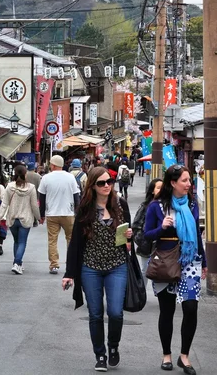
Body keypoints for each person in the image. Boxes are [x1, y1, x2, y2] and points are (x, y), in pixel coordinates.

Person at [62, 167, 133, 372]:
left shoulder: (121, 205)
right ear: (92, 186)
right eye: (101, 183)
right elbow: (75, 242)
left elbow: (128, 238)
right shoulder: (86, 209)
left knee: (115, 312)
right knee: (95, 314)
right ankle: (100, 354)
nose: (106, 186)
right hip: (90, 266)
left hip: (116, 265)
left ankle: (113, 347)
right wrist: (69, 274)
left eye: (109, 181)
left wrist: (130, 236)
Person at [143, 165, 207, 375]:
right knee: (167, 310)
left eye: (190, 180)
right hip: (165, 260)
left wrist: (204, 262)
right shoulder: (156, 206)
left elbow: (197, 234)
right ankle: (166, 355)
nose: (189, 184)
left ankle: (184, 356)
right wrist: (162, 228)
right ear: (173, 183)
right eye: (185, 180)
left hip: (190, 259)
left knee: (190, 308)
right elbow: (146, 235)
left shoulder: (192, 203)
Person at [38, 155, 80, 274]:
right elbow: (76, 196)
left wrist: (42, 215)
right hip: (68, 213)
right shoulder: (70, 177)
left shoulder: (46, 178)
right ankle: (71, 264)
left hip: (52, 214)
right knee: (71, 239)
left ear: (53, 165)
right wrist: (77, 212)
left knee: (52, 240)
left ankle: (54, 265)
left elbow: (42, 197)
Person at [0, 165, 41, 275]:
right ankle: (17, 263)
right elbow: (34, 205)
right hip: (25, 219)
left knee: (16, 241)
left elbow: (4, 204)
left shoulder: (9, 186)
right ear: (25, 174)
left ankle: (18, 263)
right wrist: (38, 217)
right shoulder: (31, 188)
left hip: (12, 218)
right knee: (22, 242)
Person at [131, 178, 163, 283]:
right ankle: (141, 295)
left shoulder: (168, 205)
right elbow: (135, 226)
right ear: (152, 191)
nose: (161, 190)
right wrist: (143, 241)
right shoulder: (145, 206)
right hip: (147, 246)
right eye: (158, 188)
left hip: (163, 246)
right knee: (146, 270)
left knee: (162, 271)